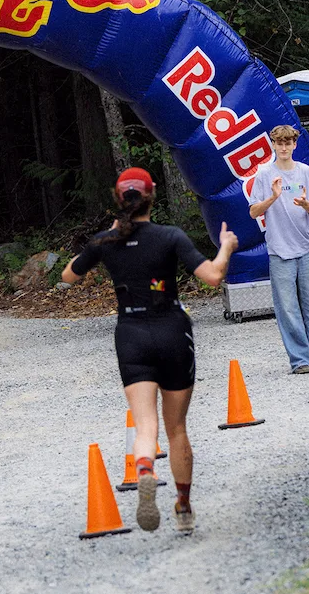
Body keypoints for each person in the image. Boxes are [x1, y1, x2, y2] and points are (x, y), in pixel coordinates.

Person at [61, 167, 237, 534]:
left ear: (118, 198)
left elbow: (68, 275)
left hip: (131, 334)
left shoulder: (105, 241)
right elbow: (212, 276)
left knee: (145, 424)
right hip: (172, 331)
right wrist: (226, 248)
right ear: (152, 196)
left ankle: (144, 469)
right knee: (177, 429)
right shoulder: (170, 236)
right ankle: (183, 507)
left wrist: (109, 233)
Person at [247, 125, 309, 375]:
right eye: (279, 143)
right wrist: (273, 197)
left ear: (295, 145)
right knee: (288, 309)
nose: (283, 147)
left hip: (305, 247)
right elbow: (253, 212)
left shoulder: (306, 172)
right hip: (279, 250)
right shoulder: (264, 173)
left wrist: (305, 204)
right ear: (273, 144)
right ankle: (300, 359)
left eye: (288, 143)